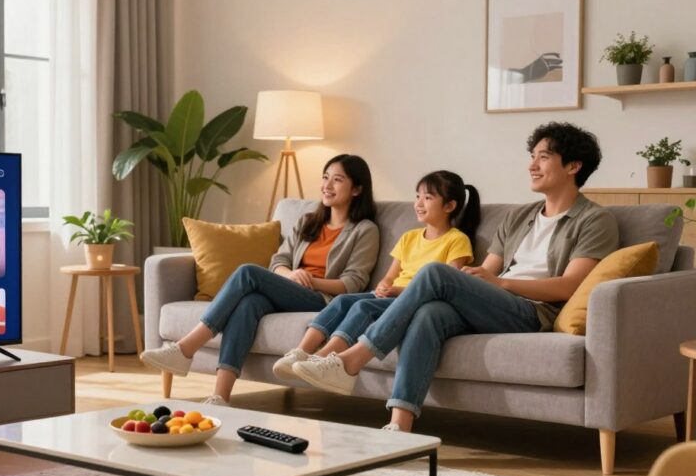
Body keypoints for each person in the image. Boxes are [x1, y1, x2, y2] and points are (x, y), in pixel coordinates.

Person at [290, 122, 619, 433]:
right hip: (494, 303)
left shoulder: (593, 220)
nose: (532, 165)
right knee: (429, 312)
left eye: (543, 157)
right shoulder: (520, 216)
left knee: (435, 272)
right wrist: (479, 281)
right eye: (531, 157)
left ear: (574, 166)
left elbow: (570, 285)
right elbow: (487, 270)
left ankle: (352, 359)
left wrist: (500, 283)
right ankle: (400, 426)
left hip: (534, 311)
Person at [140, 154, 381, 406]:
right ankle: (220, 396)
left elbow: (353, 283)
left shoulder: (365, 230)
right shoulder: (308, 221)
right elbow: (279, 262)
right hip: (292, 289)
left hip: (323, 300)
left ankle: (187, 347)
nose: (327, 185)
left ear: (357, 189)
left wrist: (308, 280)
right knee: (249, 303)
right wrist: (291, 276)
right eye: (325, 177)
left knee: (247, 272)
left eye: (337, 180)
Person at [273, 170, 480, 384]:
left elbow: (446, 286)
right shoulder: (409, 237)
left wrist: (395, 291)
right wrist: (384, 285)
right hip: (390, 295)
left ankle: (323, 358)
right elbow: (390, 276)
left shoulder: (457, 240)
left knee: (363, 307)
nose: (419, 203)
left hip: (412, 301)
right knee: (343, 300)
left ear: (449, 206)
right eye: (417, 196)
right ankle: (301, 353)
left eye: (428, 198)